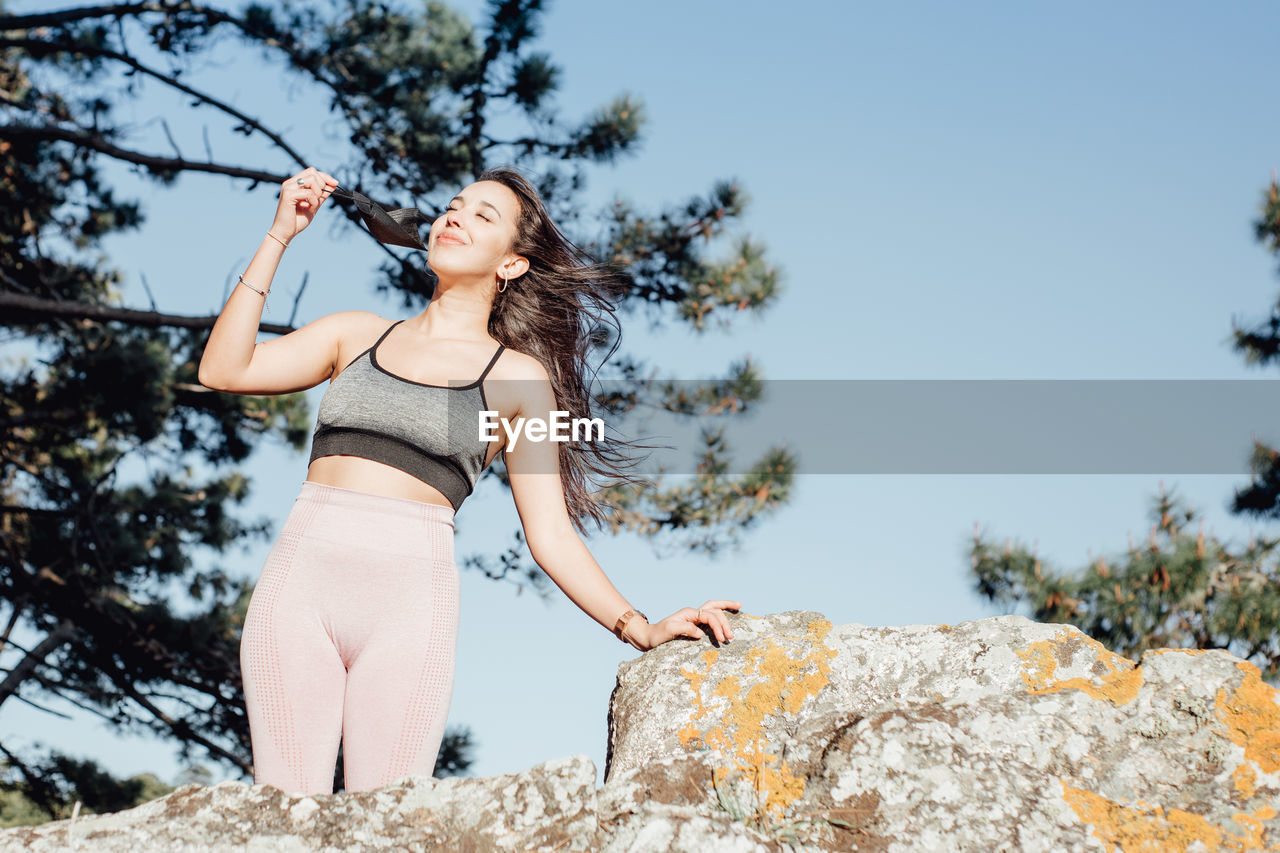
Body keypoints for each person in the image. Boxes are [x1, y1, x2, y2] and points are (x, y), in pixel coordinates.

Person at [197, 165, 742, 797]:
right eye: (453, 206)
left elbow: (551, 534)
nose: (454, 216)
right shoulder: (354, 335)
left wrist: (638, 626)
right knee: (282, 816)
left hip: (407, 613)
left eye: (484, 216)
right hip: (298, 594)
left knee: (388, 828)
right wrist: (279, 237)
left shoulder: (519, 381)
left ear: (511, 265)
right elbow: (223, 368)